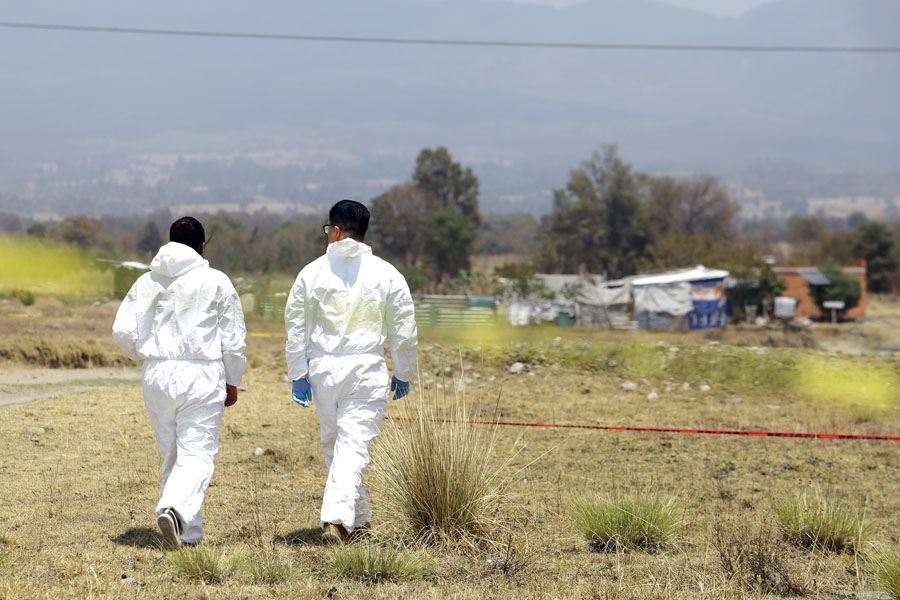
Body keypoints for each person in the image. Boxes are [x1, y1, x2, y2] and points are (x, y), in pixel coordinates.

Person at [285, 199, 417, 545]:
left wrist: (299, 372)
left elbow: (295, 326)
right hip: (366, 369)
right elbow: (404, 328)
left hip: (323, 371)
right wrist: (403, 371)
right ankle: (335, 520)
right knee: (352, 447)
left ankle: (359, 521)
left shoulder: (310, 273)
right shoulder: (387, 274)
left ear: (337, 231)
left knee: (337, 447)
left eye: (328, 228)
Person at [112, 216, 246, 550]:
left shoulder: (147, 282)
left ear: (170, 242)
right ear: (202, 246)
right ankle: (173, 511)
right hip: (202, 373)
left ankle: (188, 533)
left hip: (157, 373)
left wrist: (144, 353)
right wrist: (233, 380)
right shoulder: (216, 280)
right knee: (198, 452)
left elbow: (123, 331)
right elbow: (233, 338)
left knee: (172, 454)